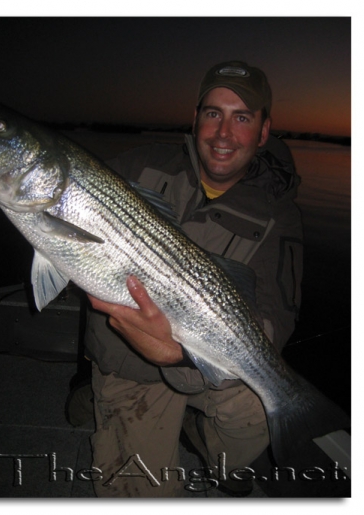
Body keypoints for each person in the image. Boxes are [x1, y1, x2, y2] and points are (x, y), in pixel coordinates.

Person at [79, 60, 303, 497]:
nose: (223, 133)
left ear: (263, 132)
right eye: (213, 113)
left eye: (242, 118)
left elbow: (275, 319)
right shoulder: (139, 166)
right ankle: (112, 406)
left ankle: (208, 445)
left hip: (210, 362)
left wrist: (178, 355)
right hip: (130, 369)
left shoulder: (278, 214)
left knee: (258, 407)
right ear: (196, 118)